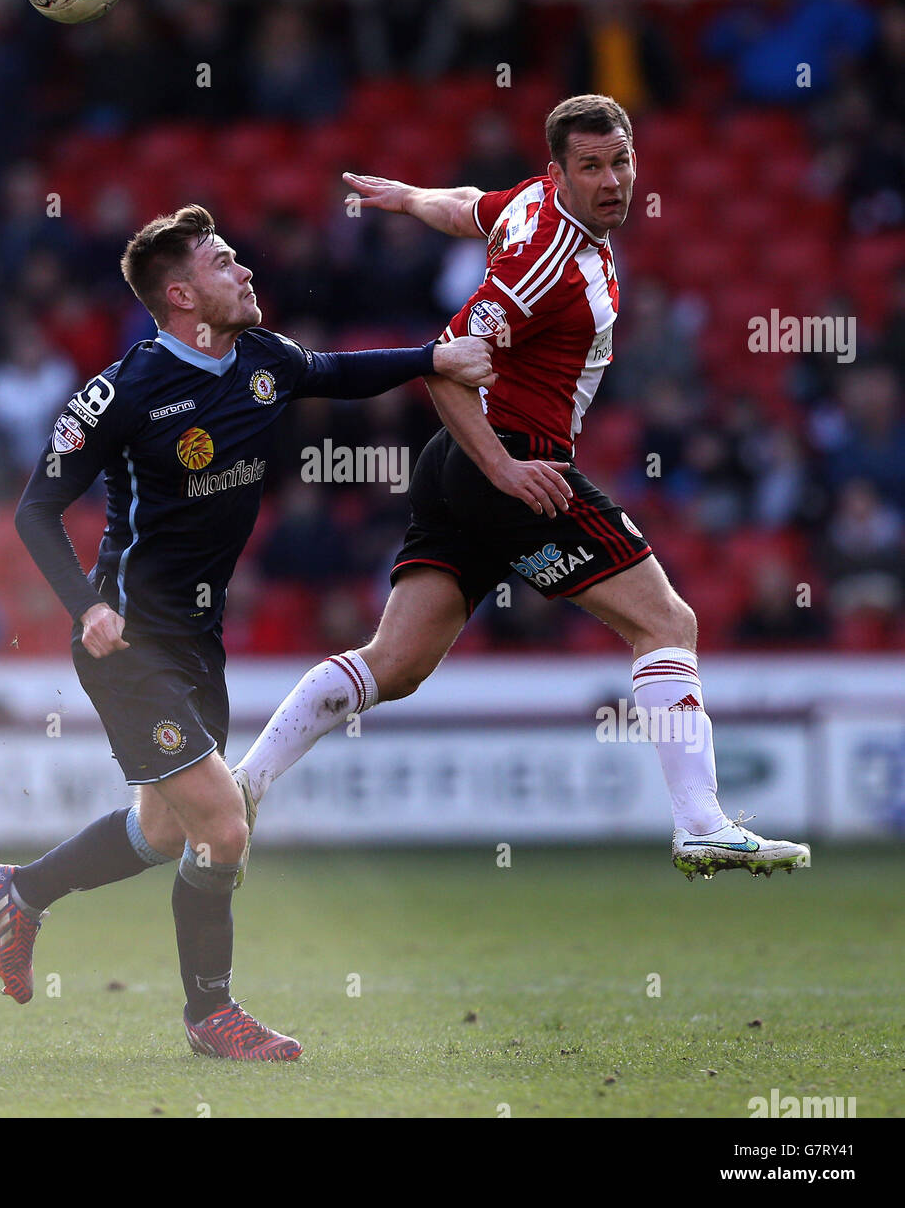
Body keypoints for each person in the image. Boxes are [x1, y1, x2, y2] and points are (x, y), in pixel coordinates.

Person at [233, 95, 812, 882]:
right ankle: (701, 824)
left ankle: (243, 787)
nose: (612, 181)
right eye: (592, 168)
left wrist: (408, 199)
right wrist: (503, 469)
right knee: (666, 622)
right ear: (558, 173)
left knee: (393, 664)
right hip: (509, 462)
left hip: (455, 467)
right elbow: (443, 364)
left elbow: (469, 205)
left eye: (622, 161)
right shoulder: (547, 260)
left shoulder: (531, 204)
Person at [0, 205, 493, 1060]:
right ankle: (211, 1016)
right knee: (225, 827)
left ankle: (22, 890)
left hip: (198, 641)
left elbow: (336, 372)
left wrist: (436, 357)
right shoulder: (121, 391)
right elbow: (36, 510)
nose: (246, 271)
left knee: (167, 831)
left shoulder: (262, 359)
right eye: (224, 263)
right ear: (181, 294)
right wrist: (86, 606)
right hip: (130, 640)